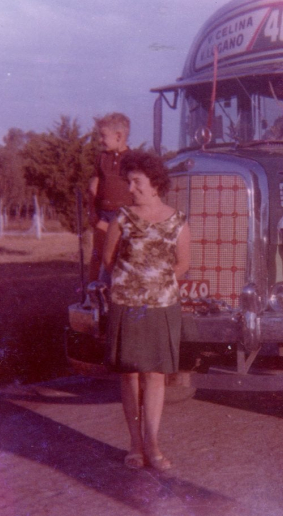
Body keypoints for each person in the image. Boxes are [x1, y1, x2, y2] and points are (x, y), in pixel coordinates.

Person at [102, 150, 190, 471]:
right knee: (130, 373)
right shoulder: (121, 218)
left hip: (162, 305)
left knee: (155, 374)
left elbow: (183, 264)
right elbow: (109, 260)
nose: (132, 188)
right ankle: (135, 444)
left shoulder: (177, 220)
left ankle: (152, 444)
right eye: (129, 182)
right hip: (128, 305)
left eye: (137, 182)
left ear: (154, 183)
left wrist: (156, 280)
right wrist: (133, 281)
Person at [88, 113, 132, 282]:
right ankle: (91, 296)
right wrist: (91, 210)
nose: (100, 140)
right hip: (104, 216)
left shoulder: (132, 158)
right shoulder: (101, 158)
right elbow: (94, 184)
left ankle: (117, 293)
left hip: (124, 217)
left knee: (120, 257)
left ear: (119, 136)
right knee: (97, 255)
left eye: (103, 136)